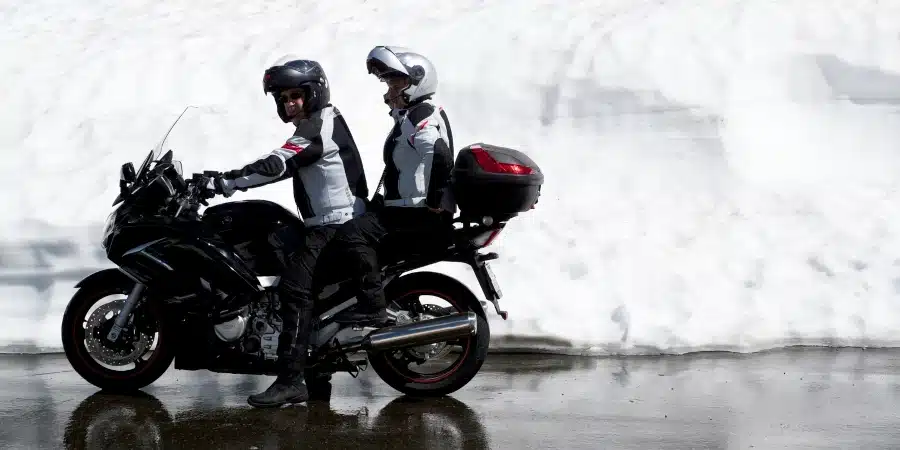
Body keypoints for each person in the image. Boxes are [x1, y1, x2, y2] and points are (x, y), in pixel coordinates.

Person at [204, 56, 369, 407]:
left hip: (335, 225)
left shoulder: (316, 128)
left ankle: (291, 380)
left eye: (296, 95)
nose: (289, 103)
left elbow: (277, 164)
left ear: (314, 93)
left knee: (295, 289)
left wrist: (227, 181)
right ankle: (315, 367)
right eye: (283, 98)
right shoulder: (321, 121)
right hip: (333, 221)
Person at [320, 46, 456, 325]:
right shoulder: (412, 116)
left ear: (418, 83)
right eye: (389, 83)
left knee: (351, 235)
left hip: (416, 213)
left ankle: (372, 305)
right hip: (407, 207)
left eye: (397, 83)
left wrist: (435, 202)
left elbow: (439, 154)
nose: (391, 90)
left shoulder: (421, 116)